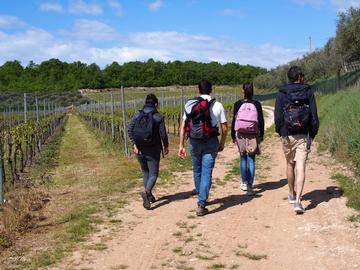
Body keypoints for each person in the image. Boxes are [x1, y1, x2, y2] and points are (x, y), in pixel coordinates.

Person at [178, 79, 228, 216]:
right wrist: (222, 142)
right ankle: (201, 203)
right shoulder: (218, 105)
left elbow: (183, 126)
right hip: (211, 141)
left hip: (194, 141)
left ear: (198, 89)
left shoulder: (190, 104)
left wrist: (181, 145)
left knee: (197, 169)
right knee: (207, 172)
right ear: (211, 89)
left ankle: (201, 197)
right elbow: (224, 128)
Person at [274, 66, 319, 214]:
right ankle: (298, 202)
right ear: (300, 76)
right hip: (304, 134)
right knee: (301, 166)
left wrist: (281, 131)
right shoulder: (308, 91)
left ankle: (291, 194)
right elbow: (314, 116)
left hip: (287, 134)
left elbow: (278, 117)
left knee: (289, 164)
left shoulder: (282, 93)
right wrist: (311, 134)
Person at [128, 94, 169, 210]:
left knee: (145, 172)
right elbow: (163, 134)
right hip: (153, 150)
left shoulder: (137, 114)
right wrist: (166, 146)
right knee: (154, 174)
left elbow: (129, 129)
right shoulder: (158, 117)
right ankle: (146, 192)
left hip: (139, 149)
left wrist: (134, 143)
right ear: (156, 104)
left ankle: (149, 196)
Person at [231, 83, 264, 195]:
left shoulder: (237, 104)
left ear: (243, 91)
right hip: (253, 133)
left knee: (242, 157)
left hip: (240, 133)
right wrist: (262, 134)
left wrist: (232, 135)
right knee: (251, 158)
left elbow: (233, 121)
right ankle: (250, 185)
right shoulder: (257, 104)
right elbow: (261, 121)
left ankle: (244, 182)